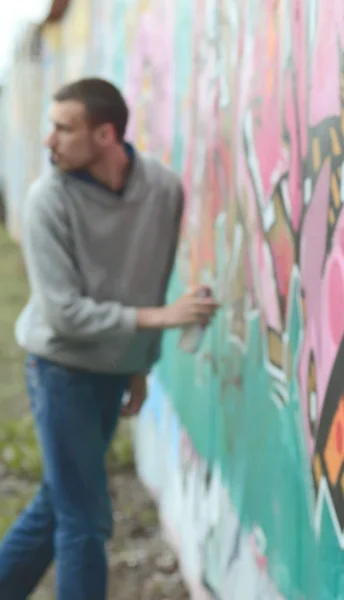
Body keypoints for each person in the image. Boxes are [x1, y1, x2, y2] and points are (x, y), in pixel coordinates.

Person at [0, 78, 218, 599]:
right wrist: (158, 322)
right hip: (61, 369)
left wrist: (138, 365)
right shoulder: (46, 200)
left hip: (112, 369)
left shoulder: (163, 190)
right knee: (85, 518)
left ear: (105, 135)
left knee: (62, 501)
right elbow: (64, 314)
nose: (48, 140)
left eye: (62, 128)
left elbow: (149, 277)